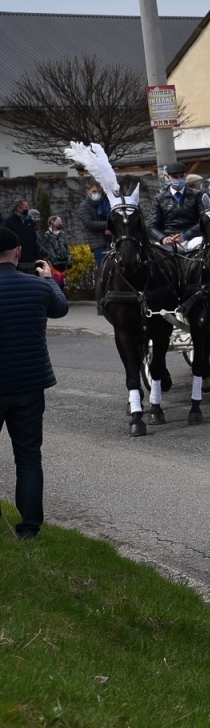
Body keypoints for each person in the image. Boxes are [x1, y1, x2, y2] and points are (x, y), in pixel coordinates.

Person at [0, 225, 68, 539]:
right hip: (28, 384)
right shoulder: (37, 287)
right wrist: (48, 278)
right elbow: (61, 308)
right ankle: (29, 528)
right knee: (28, 457)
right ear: (18, 253)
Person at [149, 162, 200, 246]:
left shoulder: (197, 195)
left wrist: (185, 236)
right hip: (168, 239)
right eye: (175, 177)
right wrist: (162, 238)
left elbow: (204, 221)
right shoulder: (159, 199)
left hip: (193, 239)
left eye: (181, 176)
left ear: (186, 176)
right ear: (168, 177)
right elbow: (152, 226)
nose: (179, 179)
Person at [79, 181, 111, 268]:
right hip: (98, 243)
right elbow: (88, 223)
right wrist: (107, 225)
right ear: (88, 191)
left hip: (111, 241)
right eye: (94, 191)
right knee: (103, 269)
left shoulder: (105, 203)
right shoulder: (84, 206)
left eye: (99, 191)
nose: (97, 193)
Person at [5, 199, 39, 266]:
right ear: (18, 208)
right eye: (26, 207)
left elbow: (34, 239)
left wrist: (37, 255)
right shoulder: (10, 222)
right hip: (17, 259)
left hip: (30, 258)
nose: (28, 209)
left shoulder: (29, 221)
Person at [39, 216, 70, 287]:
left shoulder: (62, 234)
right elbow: (48, 248)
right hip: (54, 263)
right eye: (59, 222)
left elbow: (66, 247)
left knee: (62, 282)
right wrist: (53, 260)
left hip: (63, 262)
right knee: (57, 281)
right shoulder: (47, 235)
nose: (61, 224)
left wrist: (69, 259)